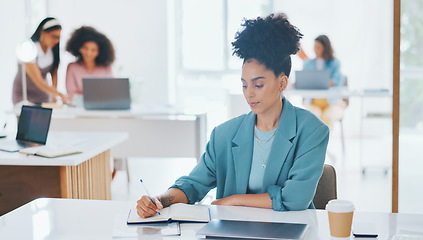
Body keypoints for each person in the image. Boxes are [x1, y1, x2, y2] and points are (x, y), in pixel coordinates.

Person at [136, 14, 329, 217]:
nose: (249, 93)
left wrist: (234, 201)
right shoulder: (224, 134)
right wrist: (159, 200)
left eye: (258, 84)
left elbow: (295, 199)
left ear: (282, 83)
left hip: (288, 230)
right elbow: (192, 185)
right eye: (244, 85)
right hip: (234, 231)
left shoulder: (312, 131)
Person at [12, 17, 70, 105]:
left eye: (58, 38)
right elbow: (38, 81)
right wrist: (60, 94)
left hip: (42, 95)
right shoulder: (29, 48)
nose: (57, 41)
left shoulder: (52, 50)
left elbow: (54, 73)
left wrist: (54, 96)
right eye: (54, 36)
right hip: (24, 96)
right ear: (42, 32)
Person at [301, 35, 347, 130]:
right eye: (314, 47)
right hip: (313, 102)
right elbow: (303, 80)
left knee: (328, 117)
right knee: (314, 118)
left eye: (318, 47)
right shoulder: (308, 64)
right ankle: (316, 144)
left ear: (325, 48)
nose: (315, 50)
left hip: (332, 102)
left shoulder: (335, 63)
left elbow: (336, 82)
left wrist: (314, 81)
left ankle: (325, 144)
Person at [65, 26, 115, 99]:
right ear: (80, 48)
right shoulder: (72, 67)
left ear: (99, 52)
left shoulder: (106, 67)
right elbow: (71, 93)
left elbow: (111, 90)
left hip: (103, 106)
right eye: (85, 48)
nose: (88, 53)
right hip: (79, 108)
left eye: (93, 50)